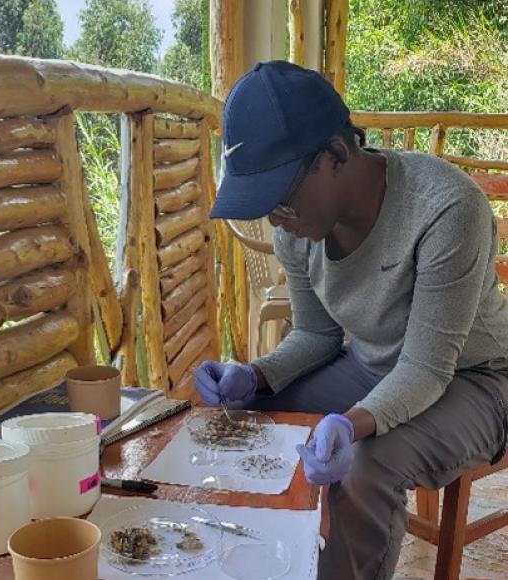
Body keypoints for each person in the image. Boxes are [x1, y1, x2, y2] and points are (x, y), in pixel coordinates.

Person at [193, 60, 508, 579]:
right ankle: (259, 562)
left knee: (367, 462)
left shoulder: (446, 208)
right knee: (254, 415)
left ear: (335, 155)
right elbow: (317, 335)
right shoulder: (296, 229)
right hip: (374, 364)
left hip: (476, 379)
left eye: (281, 199)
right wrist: (255, 374)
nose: (274, 218)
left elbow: (426, 370)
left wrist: (353, 421)